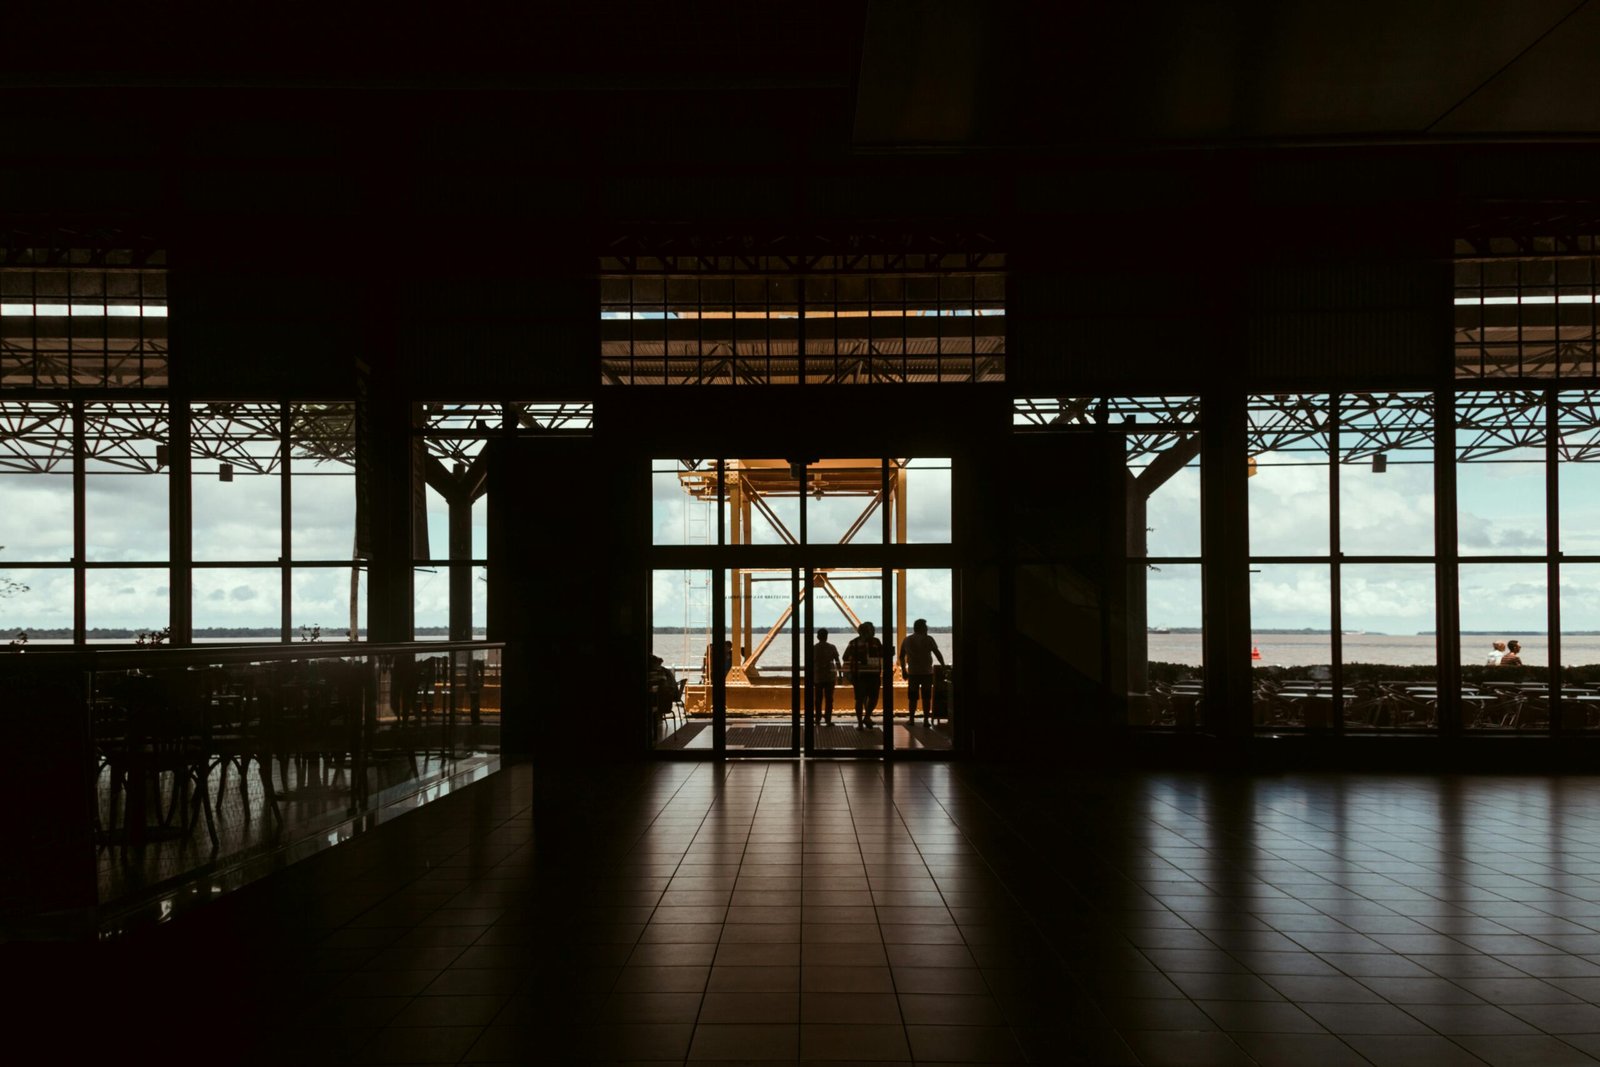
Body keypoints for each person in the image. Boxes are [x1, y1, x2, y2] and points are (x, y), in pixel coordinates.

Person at [898, 618, 946, 726]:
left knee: (912, 697)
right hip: (927, 673)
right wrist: (943, 666)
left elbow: (901, 656)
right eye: (925, 626)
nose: (927, 628)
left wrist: (904, 670)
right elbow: (937, 653)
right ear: (922, 628)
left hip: (913, 673)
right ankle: (925, 720)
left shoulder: (907, 640)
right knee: (926, 697)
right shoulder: (929, 639)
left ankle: (911, 719)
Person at [843, 621, 884, 728]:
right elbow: (883, 654)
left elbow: (845, 657)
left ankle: (861, 722)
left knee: (860, 699)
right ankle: (866, 717)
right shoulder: (876, 642)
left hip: (859, 675)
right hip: (873, 674)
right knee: (873, 697)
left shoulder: (853, 643)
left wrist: (855, 662)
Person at [813, 628, 842, 725]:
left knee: (818, 699)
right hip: (830, 677)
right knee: (829, 699)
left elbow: (811, 663)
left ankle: (817, 719)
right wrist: (841, 675)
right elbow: (837, 662)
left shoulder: (814, 648)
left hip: (818, 677)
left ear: (818, 637)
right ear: (826, 636)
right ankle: (828, 720)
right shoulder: (832, 647)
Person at [647, 654, 677, 719]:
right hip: (669, 699)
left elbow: (663, 687)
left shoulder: (662, 673)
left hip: (664, 703)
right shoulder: (665, 671)